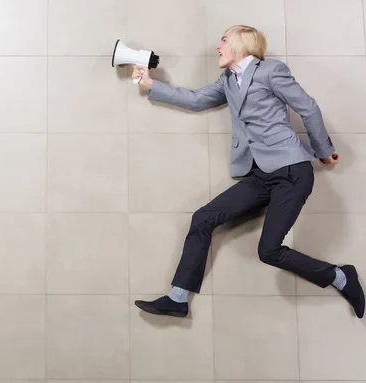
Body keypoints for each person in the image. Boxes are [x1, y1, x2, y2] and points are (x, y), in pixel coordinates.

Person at [132, 25, 364, 319]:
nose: (218, 46)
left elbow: (308, 108)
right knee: (203, 218)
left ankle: (341, 277)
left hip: (292, 170)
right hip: (261, 175)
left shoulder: (271, 71)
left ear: (242, 43)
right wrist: (150, 83)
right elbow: (196, 99)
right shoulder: (228, 80)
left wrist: (321, 151)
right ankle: (178, 298)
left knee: (268, 251)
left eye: (223, 40)